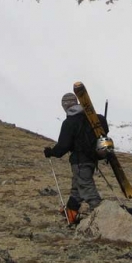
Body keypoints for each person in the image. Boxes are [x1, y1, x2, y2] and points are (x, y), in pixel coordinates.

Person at [44, 92, 108, 224]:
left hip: (79, 161)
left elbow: (63, 146)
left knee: (87, 189)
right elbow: (103, 128)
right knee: (77, 189)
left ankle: (104, 219)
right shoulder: (92, 118)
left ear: (65, 106)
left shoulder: (69, 122)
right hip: (92, 160)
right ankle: (71, 214)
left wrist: (51, 152)